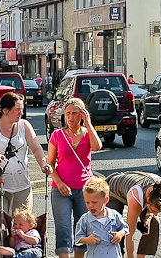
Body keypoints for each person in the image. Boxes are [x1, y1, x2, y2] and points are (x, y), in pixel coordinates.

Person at [0, 92, 52, 258]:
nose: (21, 113)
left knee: (20, 233)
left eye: (22, 109)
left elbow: (36, 148)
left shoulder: (24, 126)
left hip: (21, 187)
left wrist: (44, 165)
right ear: (4, 110)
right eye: (17, 109)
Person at [48, 98, 102, 258]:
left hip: (85, 190)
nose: (71, 117)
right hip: (61, 190)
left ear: (82, 115)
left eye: (75, 113)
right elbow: (50, 164)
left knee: (82, 229)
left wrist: (89, 124)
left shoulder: (87, 134)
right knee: (63, 228)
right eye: (68, 113)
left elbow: (97, 146)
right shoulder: (57, 135)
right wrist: (59, 182)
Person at [107, 171, 161, 258]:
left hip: (140, 192)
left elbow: (152, 211)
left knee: (153, 222)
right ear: (148, 200)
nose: (156, 213)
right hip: (115, 190)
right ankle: (120, 254)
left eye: (158, 211)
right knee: (115, 225)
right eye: (153, 210)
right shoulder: (136, 196)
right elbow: (129, 234)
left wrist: (148, 218)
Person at [75, 177, 128, 258]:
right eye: (87, 202)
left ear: (105, 200)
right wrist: (88, 240)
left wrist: (120, 234)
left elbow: (125, 228)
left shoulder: (114, 215)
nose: (90, 205)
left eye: (94, 202)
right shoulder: (85, 219)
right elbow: (78, 238)